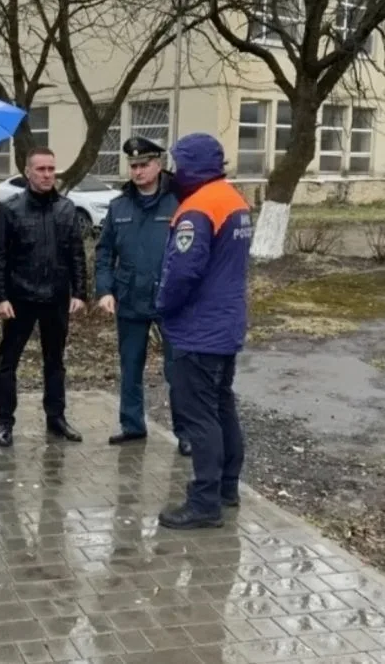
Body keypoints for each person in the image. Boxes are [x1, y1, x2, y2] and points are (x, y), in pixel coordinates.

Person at [154, 133, 251, 530]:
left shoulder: (197, 209)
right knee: (222, 406)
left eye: (178, 164)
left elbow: (182, 272)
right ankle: (227, 487)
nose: (172, 172)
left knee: (200, 416)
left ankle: (205, 501)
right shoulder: (233, 200)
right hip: (225, 324)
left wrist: (162, 306)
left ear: (193, 166)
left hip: (198, 329)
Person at [95, 136, 189, 454]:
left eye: (144, 164)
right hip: (130, 297)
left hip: (170, 300)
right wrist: (105, 290)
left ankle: (186, 433)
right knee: (131, 365)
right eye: (133, 165)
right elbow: (104, 253)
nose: (137, 171)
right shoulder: (119, 206)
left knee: (177, 369)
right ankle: (132, 426)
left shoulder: (179, 202)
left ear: (158, 165)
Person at [0, 147, 88, 448]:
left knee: (55, 361)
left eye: (51, 169)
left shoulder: (66, 208)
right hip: (20, 297)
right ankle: (5, 422)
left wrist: (80, 291)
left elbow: (76, 253)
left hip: (56, 297)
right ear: (28, 172)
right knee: (8, 363)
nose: (47, 175)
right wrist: (0, 297)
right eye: (41, 169)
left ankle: (56, 418)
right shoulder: (10, 209)